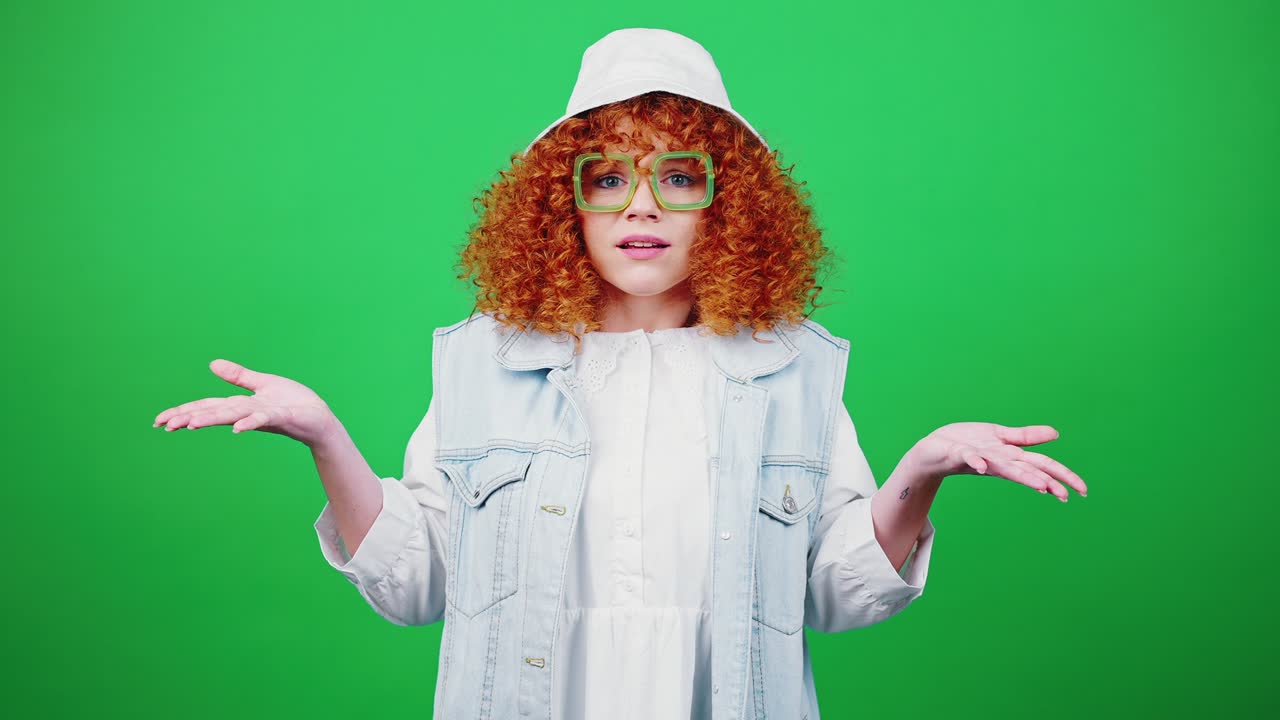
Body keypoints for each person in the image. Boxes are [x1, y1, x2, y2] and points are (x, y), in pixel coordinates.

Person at [152, 27, 1087, 720]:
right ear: (564, 207)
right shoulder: (482, 361)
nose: (642, 206)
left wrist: (920, 471)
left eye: (679, 177)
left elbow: (834, 598)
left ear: (728, 205)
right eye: (606, 178)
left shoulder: (793, 370)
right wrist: (325, 438)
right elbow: (417, 585)